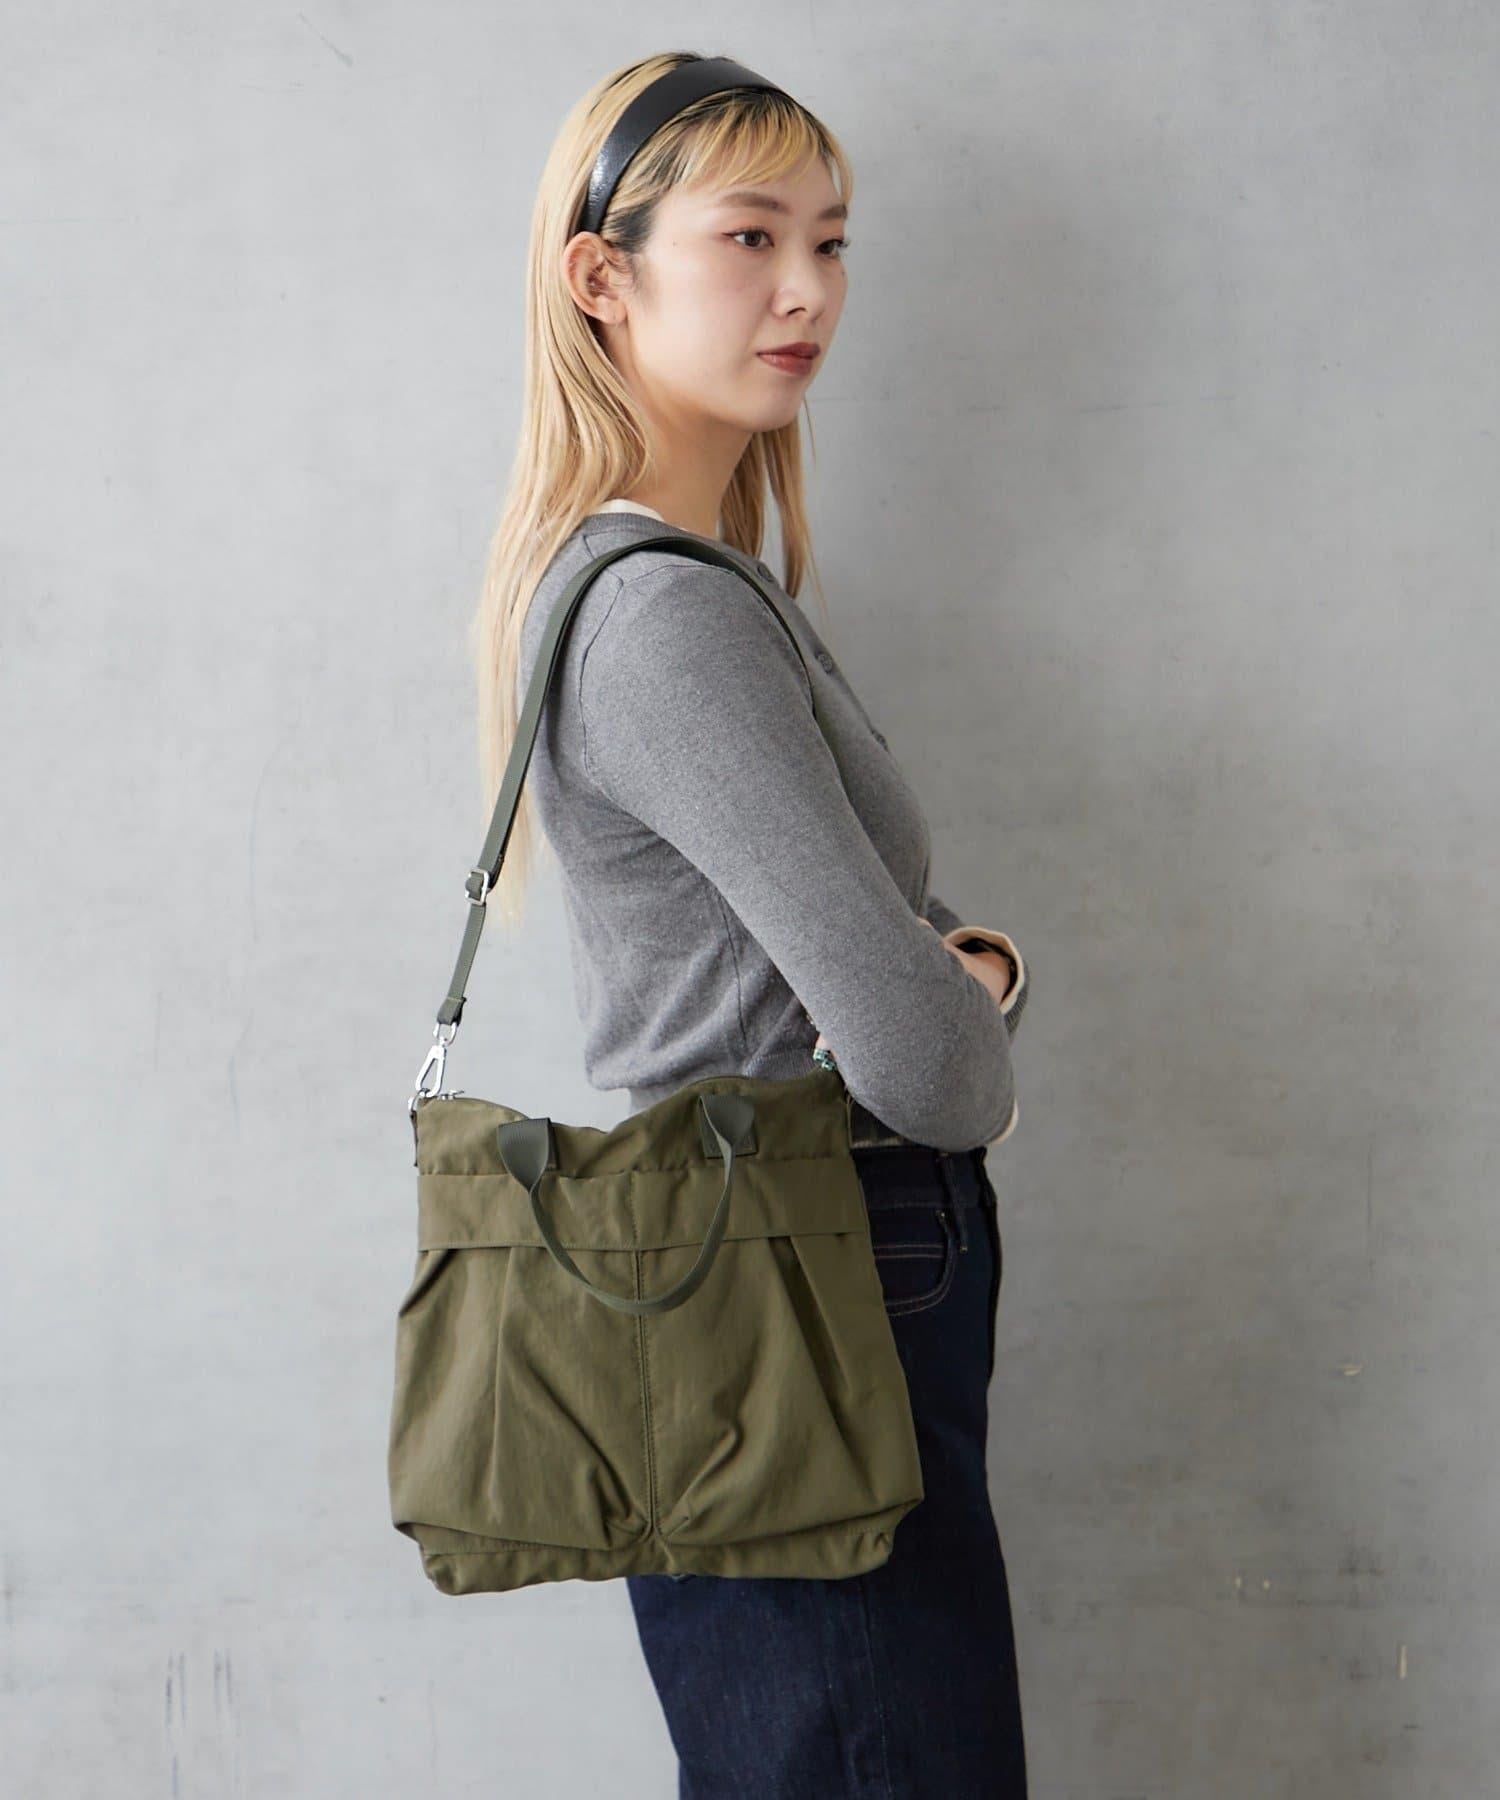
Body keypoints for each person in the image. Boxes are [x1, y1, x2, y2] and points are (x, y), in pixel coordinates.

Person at [474, 50, 1031, 1797]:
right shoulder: (667, 618)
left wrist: (941, 970)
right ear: (602, 275)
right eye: (750, 236)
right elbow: (935, 1068)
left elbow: (888, 970)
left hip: (760, 1269)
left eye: (833, 240)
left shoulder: (696, 587)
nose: (809, 290)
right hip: (808, 1257)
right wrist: (986, 973)